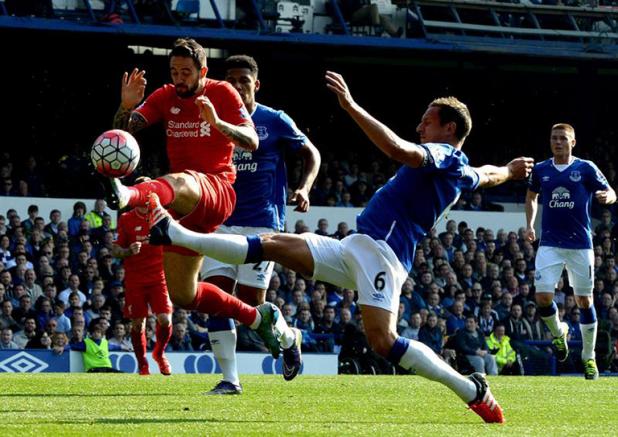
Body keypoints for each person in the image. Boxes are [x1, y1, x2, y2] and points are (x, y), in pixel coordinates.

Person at [147, 71, 535, 423]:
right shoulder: (462, 167)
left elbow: (400, 150)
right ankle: (178, 235)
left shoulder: (444, 155)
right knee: (272, 244)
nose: (419, 126)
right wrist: (512, 171)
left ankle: (471, 389)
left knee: (382, 342)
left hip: (383, 256)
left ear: (449, 129)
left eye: (427, 121)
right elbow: (488, 175)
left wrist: (351, 106)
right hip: (355, 246)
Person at [103, 38, 287, 377]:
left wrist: (217, 122)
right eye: (174, 71)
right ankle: (258, 318)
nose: (179, 78)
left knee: (179, 180)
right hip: (181, 208)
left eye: (186, 72)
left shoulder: (223, 94)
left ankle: (130, 195)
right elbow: (122, 136)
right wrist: (126, 106)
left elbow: (253, 140)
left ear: (203, 71)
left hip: (216, 190)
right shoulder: (164, 96)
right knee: (184, 294)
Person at [199, 55, 321, 394]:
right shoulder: (214, 120)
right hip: (220, 221)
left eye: (244, 80)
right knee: (216, 299)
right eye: (231, 80)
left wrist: (305, 187)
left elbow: (312, 152)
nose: (237, 86)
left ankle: (289, 336)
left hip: (261, 224)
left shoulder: (273, 120)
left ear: (256, 83)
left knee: (252, 307)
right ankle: (230, 380)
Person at [525, 123, 616, 380]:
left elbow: (610, 191)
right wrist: (530, 225)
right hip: (550, 244)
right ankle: (559, 333)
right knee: (542, 297)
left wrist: (608, 198)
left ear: (572, 142)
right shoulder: (542, 169)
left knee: (584, 301)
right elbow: (531, 196)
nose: (558, 142)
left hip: (580, 245)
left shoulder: (585, 168)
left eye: (563, 138)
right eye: (554, 138)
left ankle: (589, 357)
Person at [112, 205, 174, 376]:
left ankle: (159, 354)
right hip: (135, 280)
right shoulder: (126, 218)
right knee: (138, 324)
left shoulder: (162, 215)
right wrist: (128, 251)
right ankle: (142, 363)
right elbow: (115, 250)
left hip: (159, 278)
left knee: (165, 320)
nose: (148, 201)